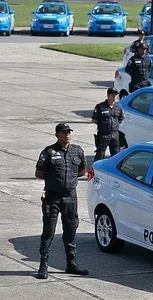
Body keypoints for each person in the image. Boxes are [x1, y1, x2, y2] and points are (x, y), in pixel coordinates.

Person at [35, 123, 88, 279]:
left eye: (69, 132)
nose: (67, 135)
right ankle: (43, 266)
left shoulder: (77, 151)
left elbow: (82, 170)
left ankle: (71, 264)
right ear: (57, 135)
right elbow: (39, 172)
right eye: (64, 132)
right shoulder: (49, 152)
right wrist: (54, 181)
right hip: (52, 198)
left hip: (70, 197)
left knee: (71, 231)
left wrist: (68, 181)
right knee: (48, 232)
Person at [92, 87, 125, 161]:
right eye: (112, 94)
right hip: (103, 134)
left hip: (115, 134)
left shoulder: (118, 107)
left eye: (115, 94)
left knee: (116, 155)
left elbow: (121, 118)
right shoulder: (100, 107)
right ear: (108, 95)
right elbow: (94, 119)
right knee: (100, 154)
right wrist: (103, 125)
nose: (114, 96)